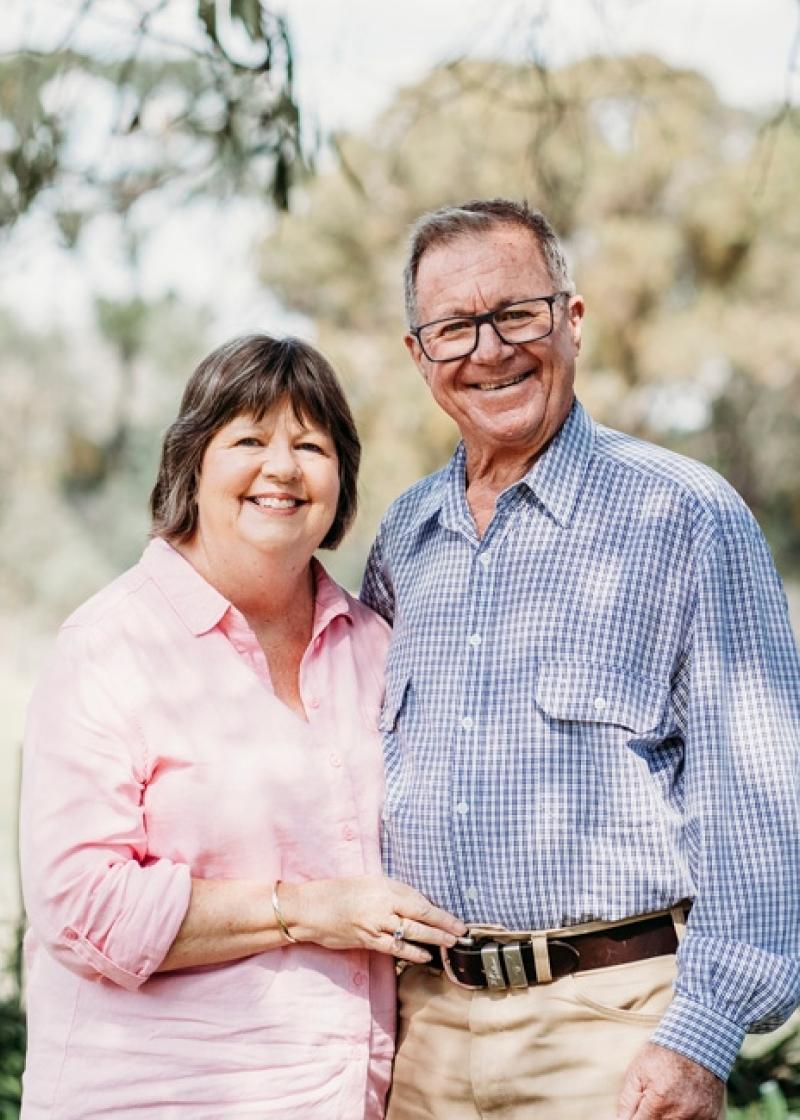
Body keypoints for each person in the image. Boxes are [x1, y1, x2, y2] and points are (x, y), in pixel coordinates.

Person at [361, 199, 800, 1120]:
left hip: (615, 1034)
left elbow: (764, 805)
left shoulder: (687, 518)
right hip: (425, 1034)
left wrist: (703, 1032)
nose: (488, 350)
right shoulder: (405, 540)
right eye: (453, 328)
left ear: (573, 317)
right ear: (419, 356)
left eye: (517, 313)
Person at [19, 334, 466, 1120]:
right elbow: (80, 905)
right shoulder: (110, 644)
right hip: (149, 1100)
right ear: (193, 463)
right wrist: (305, 908)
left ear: (341, 477)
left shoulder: (377, 648)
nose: (283, 468)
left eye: (311, 445)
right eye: (250, 440)